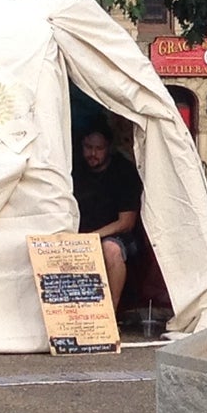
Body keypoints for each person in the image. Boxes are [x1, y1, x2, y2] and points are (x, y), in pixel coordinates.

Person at [73, 125, 143, 306]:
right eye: (88, 147)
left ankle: (110, 313)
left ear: (109, 148)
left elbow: (126, 223)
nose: (93, 154)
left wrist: (91, 237)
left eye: (99, 149)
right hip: (78, 231)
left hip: (116, 235)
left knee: (111, 250)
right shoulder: (75, 169)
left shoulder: (124, 172)